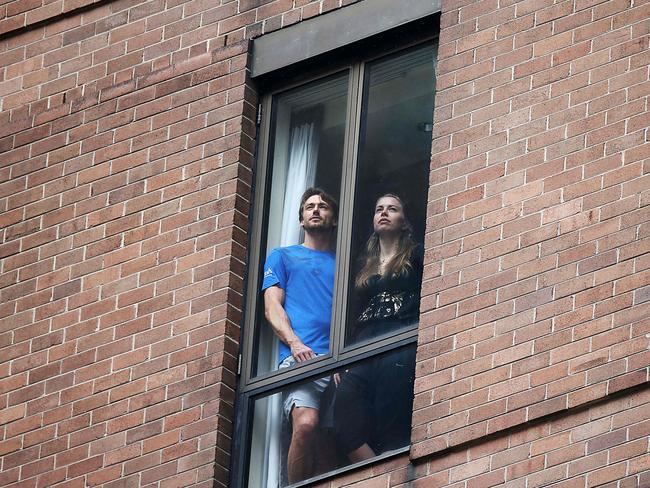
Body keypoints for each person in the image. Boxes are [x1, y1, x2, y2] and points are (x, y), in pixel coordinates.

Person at [334, 194, 423, 462]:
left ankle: (392, 472)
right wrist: (344, 355)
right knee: (344, 412)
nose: (384, 213)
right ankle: (375, 471)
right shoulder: (364, 267)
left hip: (398, 339)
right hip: (365, 344)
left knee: (391, 411)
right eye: (379, 209)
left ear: (404, 222)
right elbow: (351, 315)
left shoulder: (416, 255)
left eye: (392, 209)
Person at [262, 187, 338, 484]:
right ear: (302, 219)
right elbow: (271, 307)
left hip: (338, 362)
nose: (316, 209)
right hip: (301, 358)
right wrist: (294, 343)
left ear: (333, 219)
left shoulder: (343, 261)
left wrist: (343, 357)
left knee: (337, 440)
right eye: (309, 207)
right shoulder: (283, 256)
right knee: (306, 425)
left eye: (323, 206)